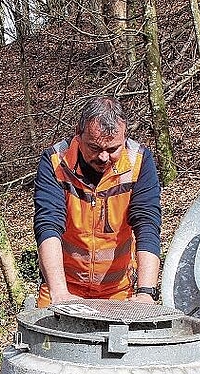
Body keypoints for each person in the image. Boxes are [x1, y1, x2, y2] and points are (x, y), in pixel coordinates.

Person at [33, 96, 162, 307]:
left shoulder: (139, 162)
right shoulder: (55, 161)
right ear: (78, 134)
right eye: (94, 148)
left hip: (118, 292)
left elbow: (147, 224)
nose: (103, 158)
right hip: (62, 287)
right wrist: (59, 292)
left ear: (125, 136)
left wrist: (146, 292)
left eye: (113, 149)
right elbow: (48, 224)